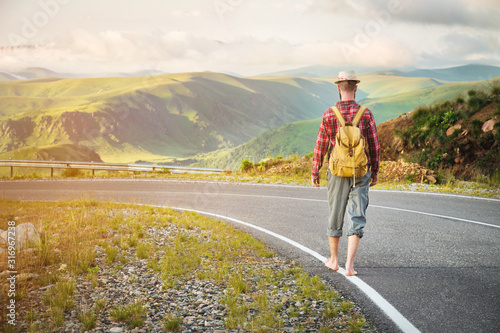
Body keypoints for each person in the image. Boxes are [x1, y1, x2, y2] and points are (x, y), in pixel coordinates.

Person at [311, 70, 380, 276]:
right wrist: (374, 171)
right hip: (361, 171)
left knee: (335, 214)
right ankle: (349, 266)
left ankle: (334, 260)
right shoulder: (365, 114)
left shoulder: (329, 114)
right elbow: (375, 146)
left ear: (338, 88)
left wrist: (316, 170)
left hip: (337, 171)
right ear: (356, 88)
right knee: (357, 215)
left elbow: (321, 145)